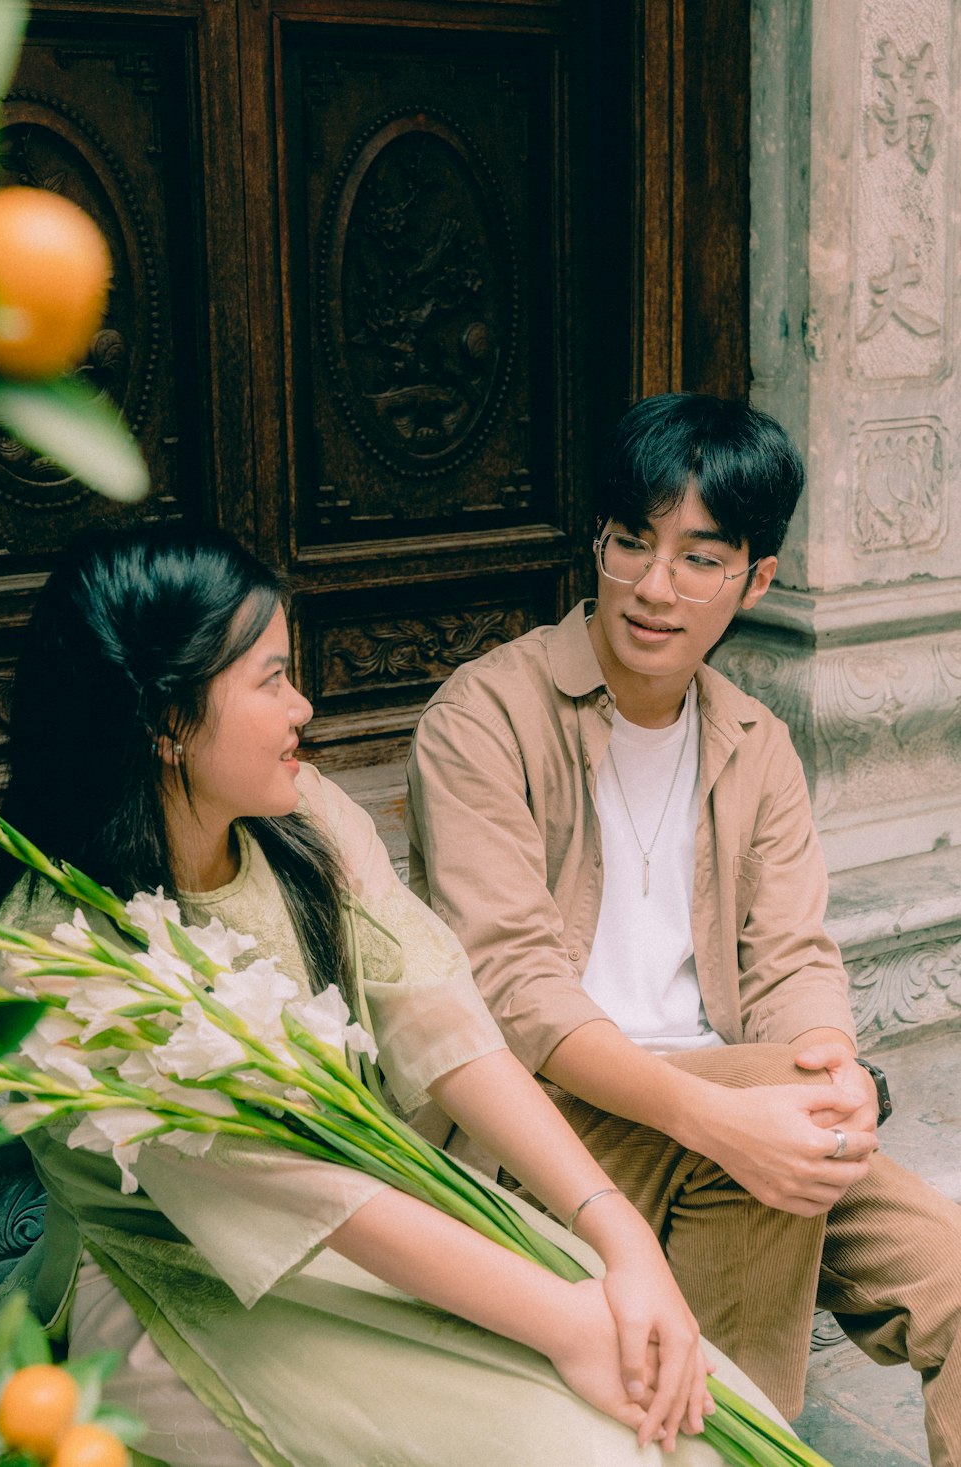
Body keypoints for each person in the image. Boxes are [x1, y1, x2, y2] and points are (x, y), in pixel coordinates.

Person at [0, 521, 784, 1467]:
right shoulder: (62, 954)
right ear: (167, 720)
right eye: (272, 678)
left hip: (389, 1218)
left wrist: (620, 1241)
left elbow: (447, 1026)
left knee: (717, 1414)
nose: (306, 706)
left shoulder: (306, 819)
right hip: (189, 1280)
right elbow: (305, 1195)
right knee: (595, 1449)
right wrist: (566, 1321)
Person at [405, 392, 961, 1467]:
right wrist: (724, 1112)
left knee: (950, 1275)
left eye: (700, 558)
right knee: (767, 1127)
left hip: (735, 1107)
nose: (653, 587)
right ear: (599, 542)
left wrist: (832, 1066)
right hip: (555, 1129)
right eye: (631, 542)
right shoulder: (486, 717)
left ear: (755, 578)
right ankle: (722, 1437)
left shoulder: (756, 743)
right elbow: (517, 990)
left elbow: (795, 956)